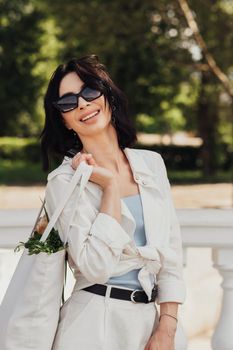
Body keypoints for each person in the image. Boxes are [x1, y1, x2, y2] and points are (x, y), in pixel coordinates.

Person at [41, 54, 186, 350]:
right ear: (65, 121)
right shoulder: (64, 181)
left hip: (152, 324)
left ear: (108, 96)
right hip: (93, 326)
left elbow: (170, 251)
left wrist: (167, 327)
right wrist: (109, 187)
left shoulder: (151, 164)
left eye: (90, 91)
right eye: (68, 102)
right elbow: (94, 266)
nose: (82, 103)